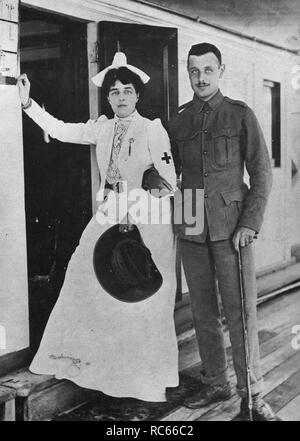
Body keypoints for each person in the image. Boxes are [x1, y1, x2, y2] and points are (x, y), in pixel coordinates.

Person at [17, 52, 179, 403]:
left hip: (146, 218)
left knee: (137, 291)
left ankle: (138, 378)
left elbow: (170, 182)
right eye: (114, 91)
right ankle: (90, 365)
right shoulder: (102, 127)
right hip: (109, 211)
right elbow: (60, 130)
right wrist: (28, 103)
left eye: (127, 90)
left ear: (137, 95)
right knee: (83, 273)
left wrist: (147, 189)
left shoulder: (152, 129)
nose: (121, 96)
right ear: (107, 97)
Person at [168, 43, 281, 420]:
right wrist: (156, 182)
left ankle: (253, 393)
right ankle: (217, 383)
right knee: (202, 310)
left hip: (233, 226)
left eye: (208, 70)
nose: (200, 77)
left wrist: (250, 223)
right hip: (191, 221)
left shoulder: (239, 114)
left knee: (240, 312)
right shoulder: (179, 119)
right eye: (194, 70)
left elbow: (261, 174)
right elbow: (166, 169)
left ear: (221, 71)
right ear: (188, 73)